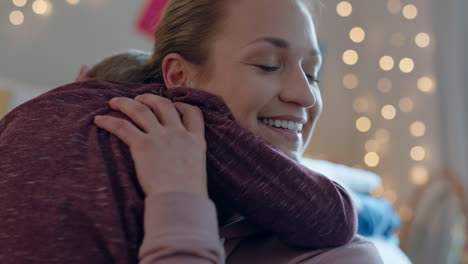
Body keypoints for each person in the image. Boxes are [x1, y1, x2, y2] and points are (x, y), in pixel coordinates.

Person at [0, 0, 384, 263]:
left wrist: (178, 198)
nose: (304, 94)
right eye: (268, 65)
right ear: (180, 79)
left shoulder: (343, 256)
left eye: (313, 73)